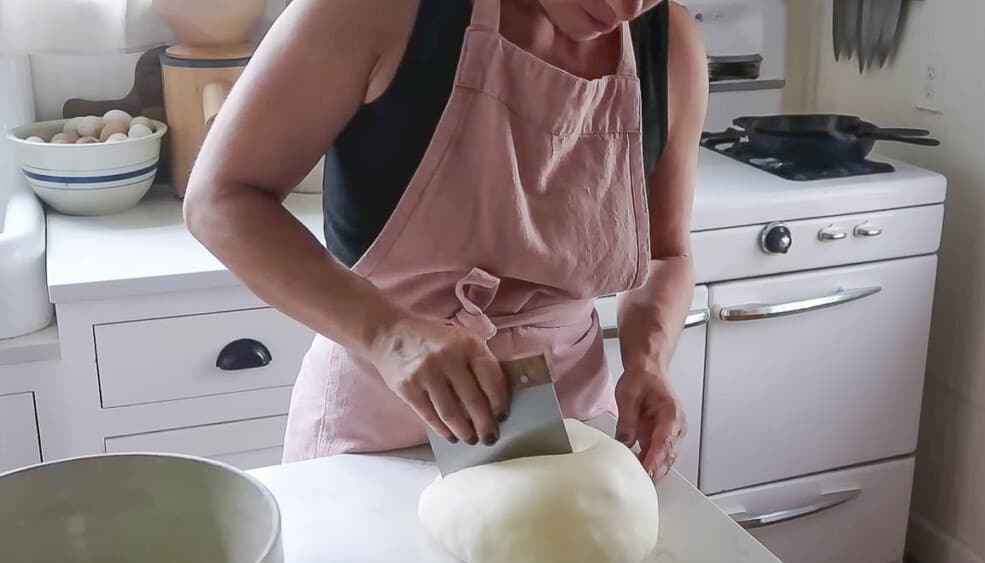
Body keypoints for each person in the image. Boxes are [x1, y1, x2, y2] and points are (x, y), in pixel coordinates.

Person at [185, 0, 707, 481]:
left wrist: (648, 363)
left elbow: (666, 252)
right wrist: (390, 335)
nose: (626, 7)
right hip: (378, 430)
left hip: (568, 428)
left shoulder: (670, 46)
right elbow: (220, 198)